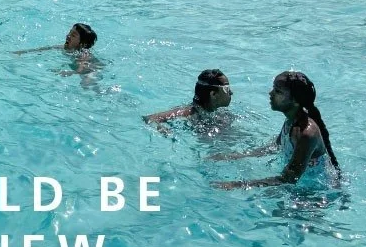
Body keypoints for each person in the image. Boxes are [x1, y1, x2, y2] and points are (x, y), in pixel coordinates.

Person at [211, 72, 339, 190]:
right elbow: (275, 147)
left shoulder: (306, 134)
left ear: (295, 100)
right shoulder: (291, 120)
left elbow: (289, 179)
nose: (270, 93)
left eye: (277, 91)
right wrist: (236, 156)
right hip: (304, 185)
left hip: (319, 190)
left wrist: (238, 184)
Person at [145, 69, 232, 126]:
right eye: (226, 89)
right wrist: (163, 130)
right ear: (213, 94)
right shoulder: (188, 112)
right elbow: (150, 118)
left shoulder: (219, 113)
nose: (231, 92)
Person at [14, 23, 97, 56]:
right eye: (69, 32)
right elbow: (46, 48)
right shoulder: (64, 47)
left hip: (91, 70)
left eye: (73, 35)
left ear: (82, 44)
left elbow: (82, 68)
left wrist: (70, 72)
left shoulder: (83, 54)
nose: (68, 36)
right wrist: (22, 52)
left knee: (87, 82)